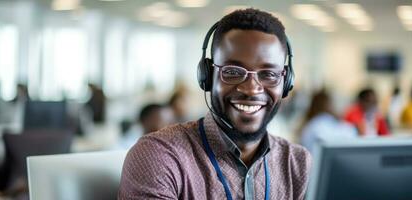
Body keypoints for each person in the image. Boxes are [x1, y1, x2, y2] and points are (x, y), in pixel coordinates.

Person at [119, 8, 311, 200]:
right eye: (233, 72)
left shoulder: (299, 165)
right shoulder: (159, 156)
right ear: (208, 77)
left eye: (268, 74)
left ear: (286, 83)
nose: (251, 89)